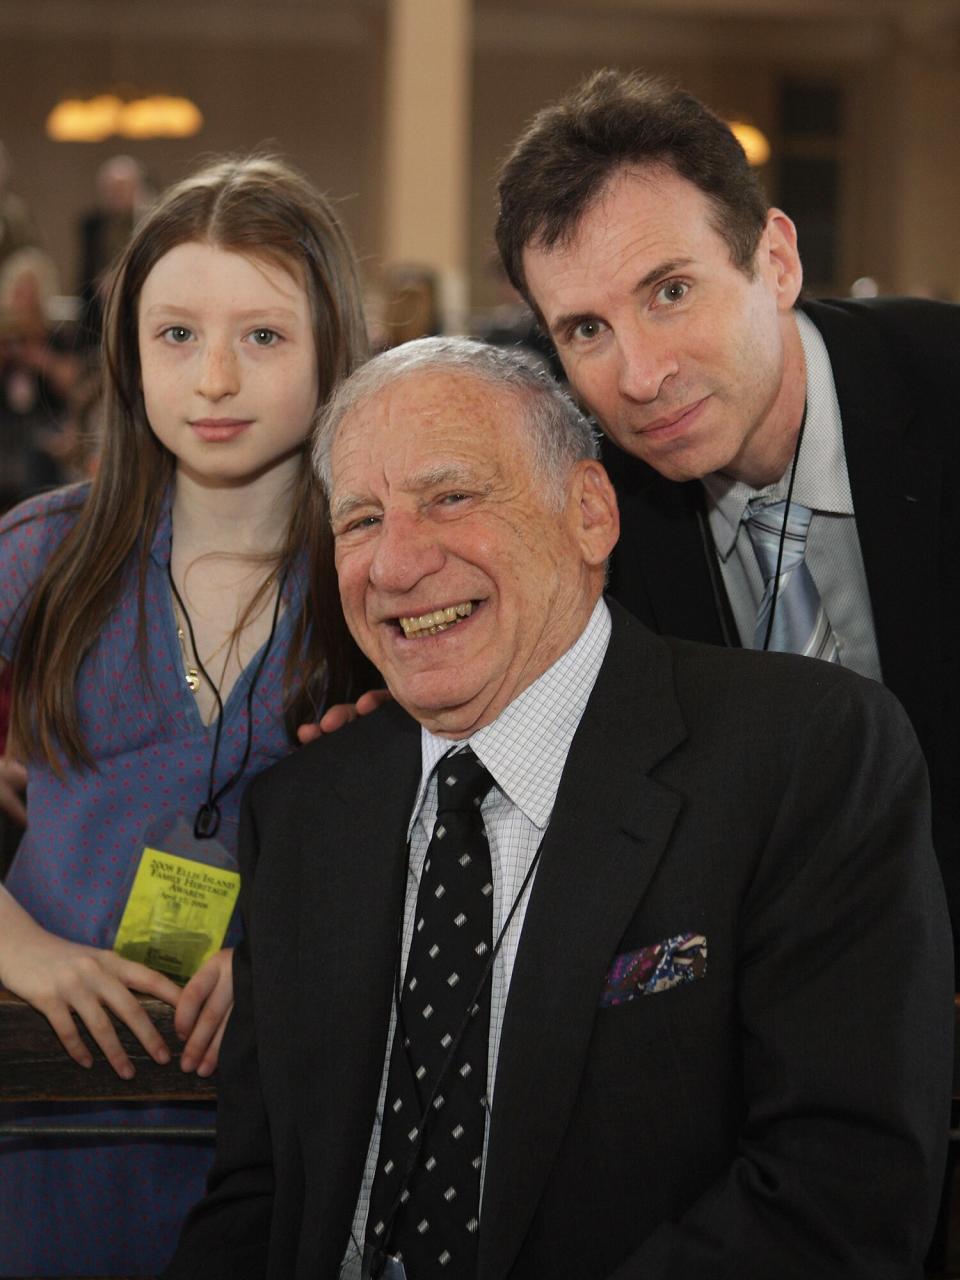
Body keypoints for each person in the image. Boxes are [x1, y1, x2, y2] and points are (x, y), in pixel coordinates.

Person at [165, 337, 952, 1280]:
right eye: (360, 520)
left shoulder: (803, 756)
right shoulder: (300, 813)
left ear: (589, 513)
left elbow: (840, 1193)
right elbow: (258, 1199)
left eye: (450, 497)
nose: (396, 564)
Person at [494, 69, 960, 970]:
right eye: (586, 329)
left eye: (670, 291)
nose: (638, 375)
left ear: (775, 262)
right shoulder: (584, 497)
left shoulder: (945, 391)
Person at [0, 155, 370, 1277]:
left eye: (262, 336)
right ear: (126, 351)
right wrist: (19, 949)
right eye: (175, 335)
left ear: (329, 347)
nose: (214, 378)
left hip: (278, 1141)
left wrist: (280, 949)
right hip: (42, 1127)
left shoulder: (387, 580)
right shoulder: (40, 556)